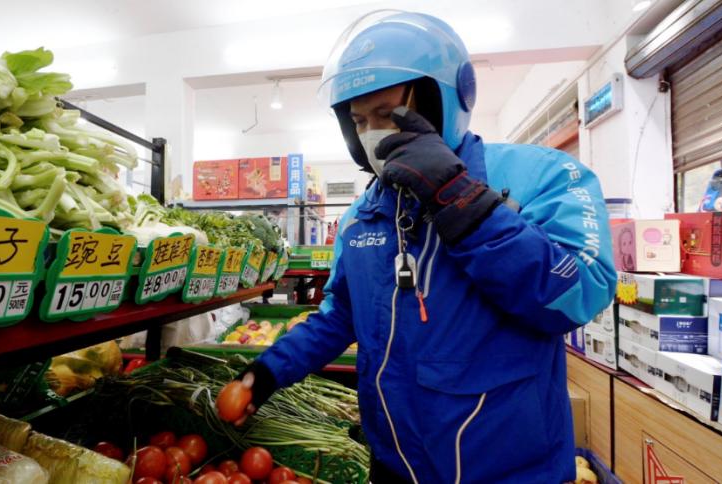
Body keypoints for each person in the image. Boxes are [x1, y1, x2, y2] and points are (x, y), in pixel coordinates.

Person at [227, 11, 617, 483]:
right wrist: (268, 373)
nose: (371, 134)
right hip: (395, 466)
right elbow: (342, 315)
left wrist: (460, 200)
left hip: (510, 471)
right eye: (359, 121)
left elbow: (579, 295)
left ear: (440, 103)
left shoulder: (539, 175)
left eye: (386, 115)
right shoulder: (362, 217)